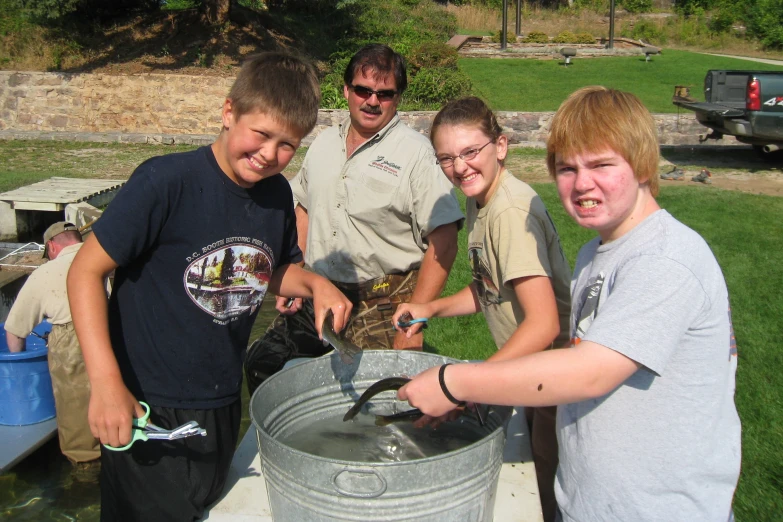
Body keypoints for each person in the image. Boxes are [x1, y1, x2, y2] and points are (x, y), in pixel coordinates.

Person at [397, 86, 741, 521]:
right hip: (590, 500)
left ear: (642, 164)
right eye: (566, 168)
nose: (582, 183)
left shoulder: (665, 260)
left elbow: (592, 371)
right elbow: (499, 293)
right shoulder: (595, 255)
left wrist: (458, 383)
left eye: (601, 165)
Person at [66, 52, 353, 522]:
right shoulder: (165, 182)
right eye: (261, 134)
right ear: (227, 113)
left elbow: (265, 268)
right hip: (146, 404)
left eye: (287, 145)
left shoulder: (277, 193)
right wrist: (105, 384)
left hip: (220, 399)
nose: (269, 154)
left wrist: (314, 283)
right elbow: (84, 272)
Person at [390, 96, 571, 522]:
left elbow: (544, 324)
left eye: (471, 152)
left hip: (555, 376)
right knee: (538, 467)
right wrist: (429, 307)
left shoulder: (507, 210)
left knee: (550, 477)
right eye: (447, 158)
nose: (460, 167)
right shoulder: (480, 199)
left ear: (501, 146)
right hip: (530, 372)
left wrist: (470, 384)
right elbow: (490, 287)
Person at [244, 43, 464, 393]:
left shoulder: (416, 156)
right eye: (363, 89)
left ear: (398, 97)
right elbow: (303, 206)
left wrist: (416, 319)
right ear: (346, 90)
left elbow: (445, 239)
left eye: (385, 93)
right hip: (321, 292)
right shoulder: (323, 143)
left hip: (380, 303)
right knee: (264, 366)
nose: (372, 101)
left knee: (377, 395)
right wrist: (297, 272)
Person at [4, 221, 101, 468]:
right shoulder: (105, 257)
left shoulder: (45, 273)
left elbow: (15, 331)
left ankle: (85, 472)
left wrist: (19, 378)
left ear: (51, 246)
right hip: (115, 329)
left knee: (75, 415)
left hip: (73, 342)